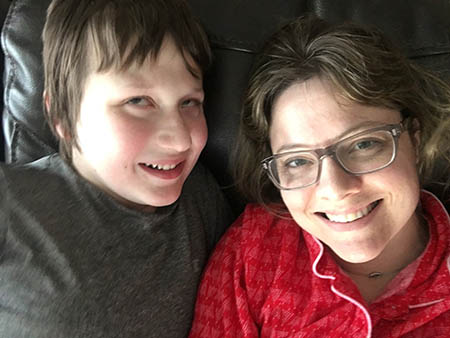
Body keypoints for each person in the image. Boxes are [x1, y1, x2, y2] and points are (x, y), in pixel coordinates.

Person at [189, 15, 450, 337]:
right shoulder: (253, 252)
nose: (335, 189)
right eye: (297, 161)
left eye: (363, 144)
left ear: (415, 137)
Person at [0, 0, 233, 337]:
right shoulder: (13, 202)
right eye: (137, 101)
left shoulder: (203, 203)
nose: (180, 139)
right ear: (62, 117)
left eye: (189, 103)